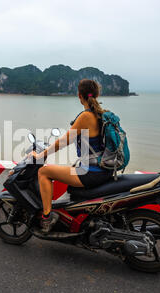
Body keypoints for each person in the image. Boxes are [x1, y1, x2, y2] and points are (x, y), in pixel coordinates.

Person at [30, 79, 113, 233]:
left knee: (43, 172)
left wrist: (42, 155)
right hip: (103, 170)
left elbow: (63, 141)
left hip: (91, 173)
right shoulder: (101, 114)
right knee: (68, 169)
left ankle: (47, 218)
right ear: (97, 94)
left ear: (79, 95)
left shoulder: (86, 116)